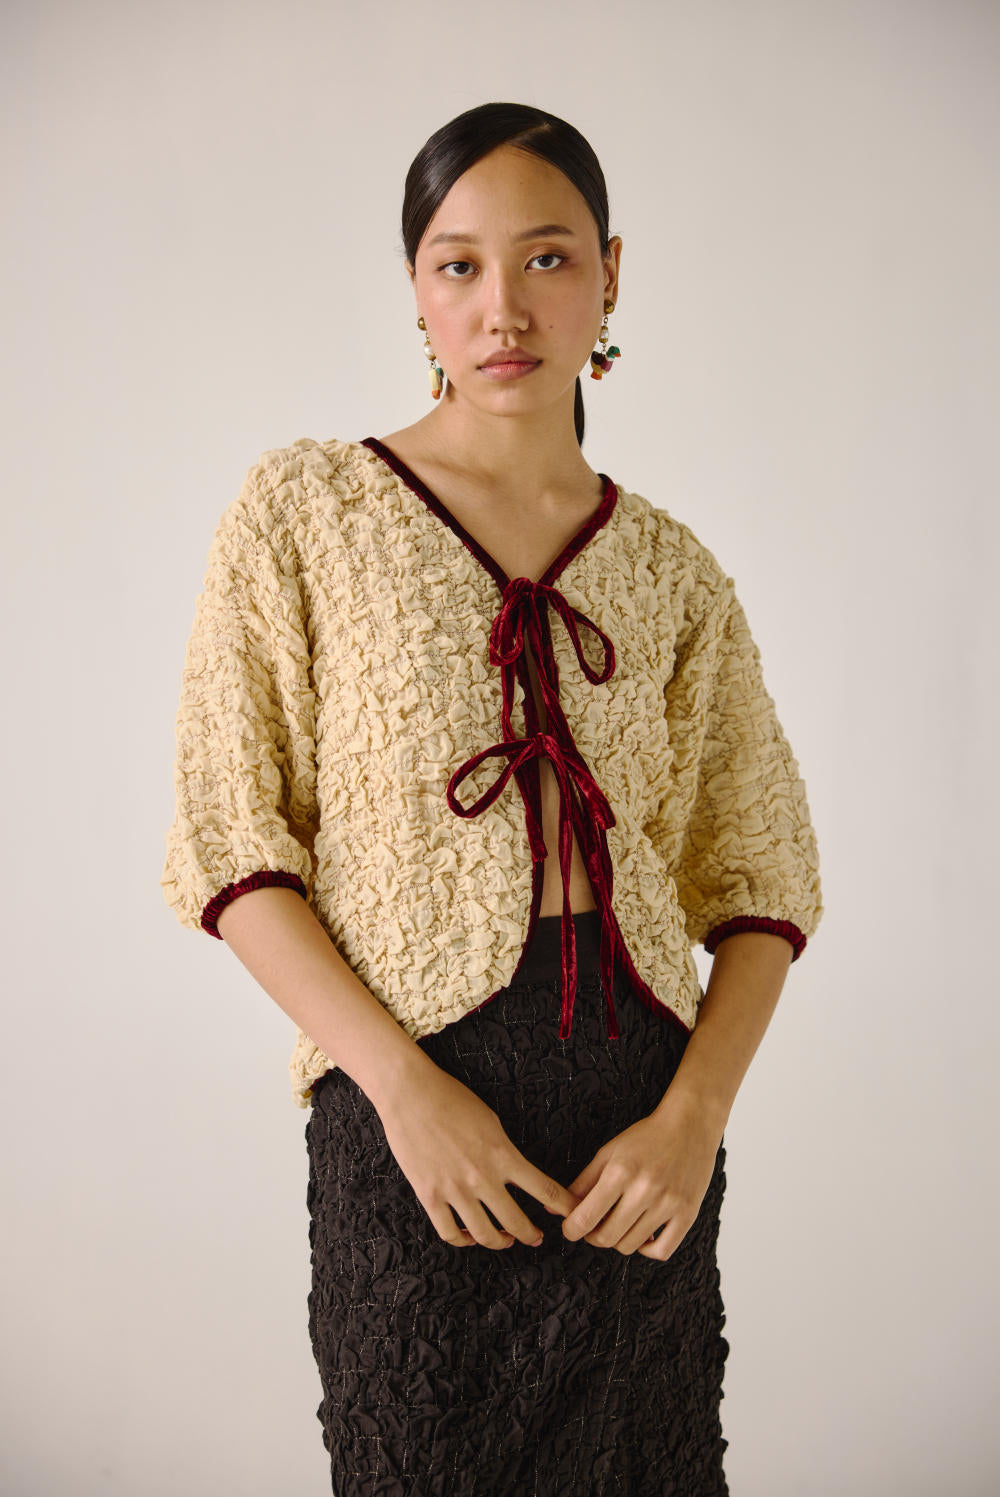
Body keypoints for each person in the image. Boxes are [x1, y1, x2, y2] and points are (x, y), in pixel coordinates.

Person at [161, 101, 823, 1496]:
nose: (502, 307)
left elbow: (762, 877)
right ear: (415, 287)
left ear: (611, 275)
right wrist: (402, 1093)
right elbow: (230, 843)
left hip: (640, 1131)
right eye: (458, 264)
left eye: (548, 257)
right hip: (415, 1117)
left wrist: (695, 1118)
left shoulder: (673, 568)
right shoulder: (306, 513)